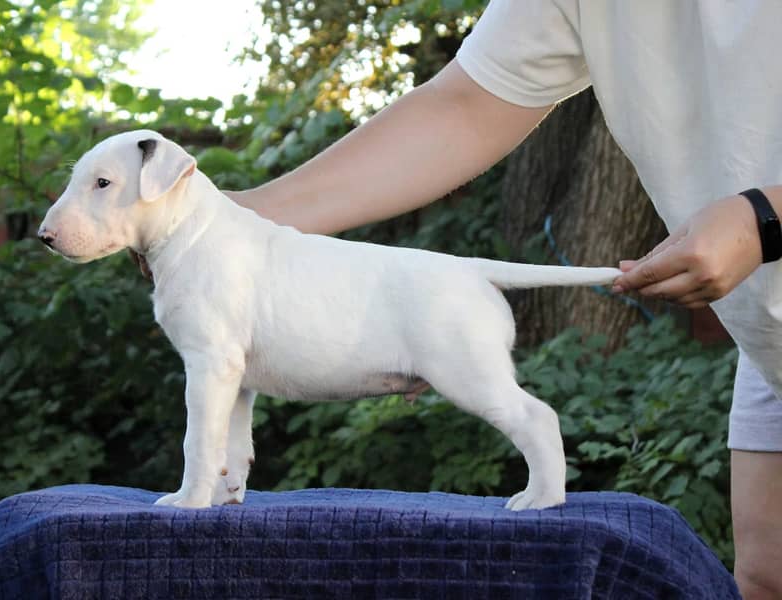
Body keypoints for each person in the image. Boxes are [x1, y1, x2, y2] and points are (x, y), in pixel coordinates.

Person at [227, 2, 782, 597]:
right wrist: (230, 222)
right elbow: (463, 109)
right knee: (764, 576)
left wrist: (765, 217)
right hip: (770, 342)